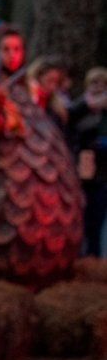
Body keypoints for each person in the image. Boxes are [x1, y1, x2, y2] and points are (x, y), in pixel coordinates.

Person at [69, 67, 107, 257]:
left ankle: (94, 255)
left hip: (102, 170)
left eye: (102, 83)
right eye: (94, 82)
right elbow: (70, 127)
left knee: (98, 216)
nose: (98, 87)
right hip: (83, 165)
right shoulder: (79, 107)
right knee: (84, 216)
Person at [26, 56, 70, 127]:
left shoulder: (57, 108)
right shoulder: (25, 96)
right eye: (49, 80)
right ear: (38, 77)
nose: (53, 87)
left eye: (57, 83)